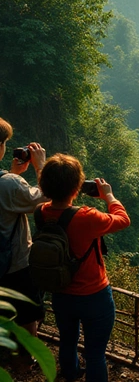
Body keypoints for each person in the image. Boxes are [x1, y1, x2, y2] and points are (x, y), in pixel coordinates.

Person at [38, 154, 130, 382]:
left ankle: (70, 375)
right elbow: (123, 219)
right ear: (77, 188)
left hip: (60, 291)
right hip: (94, 295)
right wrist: (108, 195)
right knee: (95, 353)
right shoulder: (86, 217)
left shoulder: (40, 212)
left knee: (67, 342)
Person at [0, 117, 48, 341]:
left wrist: (13, 174)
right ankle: (25, 362)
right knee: (27, 315)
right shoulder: (9, 184)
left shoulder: (8, 182)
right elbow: (46, 199)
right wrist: (41, 167)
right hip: (14, 267)